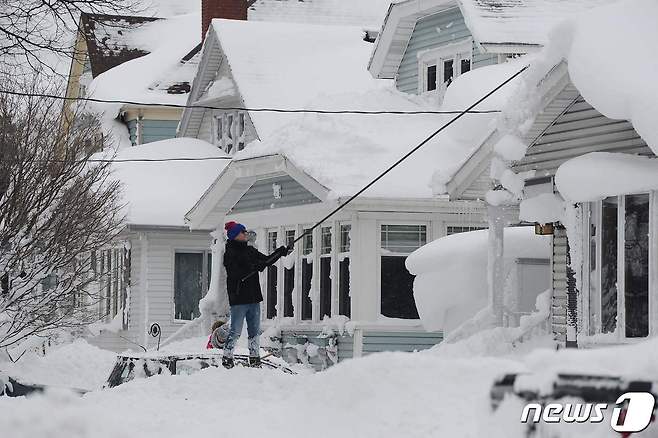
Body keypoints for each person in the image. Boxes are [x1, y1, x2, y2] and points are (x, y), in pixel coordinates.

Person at [222, 221, 290, 368]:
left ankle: (254, 358)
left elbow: (265, 261)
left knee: (254, 330)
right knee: (236, 330)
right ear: (234, 236)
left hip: (253, 297)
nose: (246, 233)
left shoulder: (250, 251)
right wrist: (253, 267)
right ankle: (227, 357)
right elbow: (235, 274)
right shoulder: (230, 253)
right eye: (242, 232)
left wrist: (279, 252)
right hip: (239, 298)